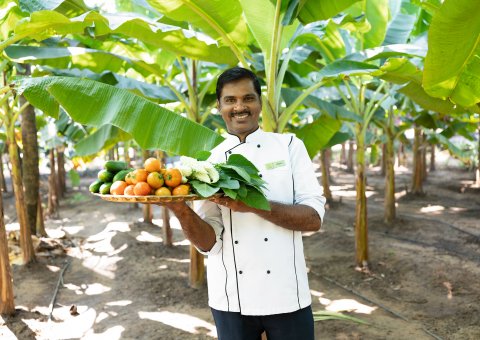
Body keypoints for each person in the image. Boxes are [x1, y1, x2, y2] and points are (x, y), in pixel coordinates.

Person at [163, 67, 325, 340]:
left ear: (260, 103)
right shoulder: (209, 163)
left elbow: (313, 220)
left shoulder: (288, 147)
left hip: (287, 293)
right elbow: (209, 243)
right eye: (230, 100)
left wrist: (251, 204)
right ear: (219, 106)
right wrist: (178, 208)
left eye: (248, 98)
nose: (240, 107)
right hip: (230, 299)